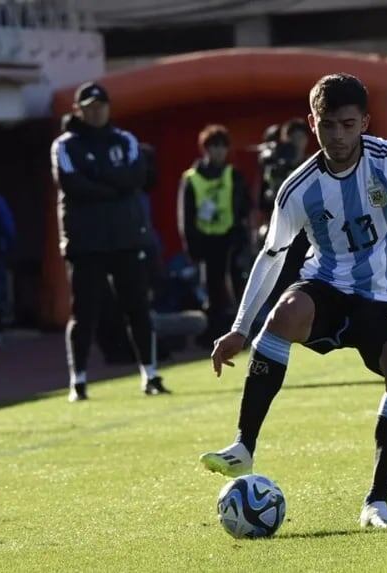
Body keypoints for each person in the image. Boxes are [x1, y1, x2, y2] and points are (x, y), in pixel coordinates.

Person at [200, 73, 387, 528]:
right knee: (286, 314)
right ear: (313, 124)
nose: (339, 136)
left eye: (349, 125)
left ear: (365, 122)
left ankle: (377, 502)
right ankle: (243, 447)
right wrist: (240, 327)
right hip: (327, 286)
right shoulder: (299, 187)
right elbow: (272, 254)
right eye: (329, 125)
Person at [50, 82, 168, 402]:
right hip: (85, 242)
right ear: (78, 109)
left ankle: (150, 373)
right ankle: (79, 380)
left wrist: (98, 177)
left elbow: (135, 179)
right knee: (84, 312)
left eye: (101, 105)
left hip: (125, 238)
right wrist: (112, 185)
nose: (96, 111)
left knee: (138, 308)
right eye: (89, 106)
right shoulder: (65, 145)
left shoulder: (125, 140)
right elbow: (74, 186)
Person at [178, 124, 250, 344]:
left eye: (222, 147)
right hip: (205, 241)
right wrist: (190, 246)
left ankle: (242, 332)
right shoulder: (191, 178)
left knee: (238, 286)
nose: (218, 152)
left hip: (231, 239)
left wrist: (243, 240)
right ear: (205, 149)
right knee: (212, 290)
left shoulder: (233, 174)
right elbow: (185, 215)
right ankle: (215, 333)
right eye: (213, 147)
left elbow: (244, 208)